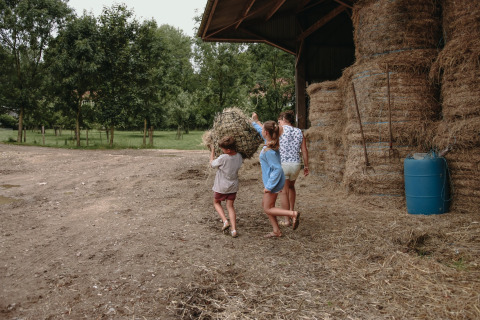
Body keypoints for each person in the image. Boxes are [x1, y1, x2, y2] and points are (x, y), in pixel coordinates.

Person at [251, 113, 300, 238]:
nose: (261, 130)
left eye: (262, 129)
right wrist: (254, 122)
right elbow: (262, 129)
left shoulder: (269, 150)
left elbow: (277, 169)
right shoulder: (271, 143)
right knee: (266, 205)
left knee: (268, 208)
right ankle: (276, 231)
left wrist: (269, 186)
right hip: (274, 181)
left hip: (273, 182)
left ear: (266, 133)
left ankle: (292, 214)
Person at [277, 110, 309, 227]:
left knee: (283, 191)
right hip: (296, 164)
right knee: (291, 187)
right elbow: (304, 150)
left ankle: (287, 220)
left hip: (283, 164)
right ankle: (292, 212)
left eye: (279, 120)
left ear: (283, 119)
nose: (278, 122)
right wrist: (306, 166)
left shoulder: (279, 130)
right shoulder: (299, 132)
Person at [210, 136, 244, 238]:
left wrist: (212, 151)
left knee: (216, 202)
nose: (222, 151)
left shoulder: (223, 158)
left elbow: (212, 164)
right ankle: (234, 230)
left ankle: (225, 221)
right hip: (233, 186)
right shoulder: (239, 156)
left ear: (228, 150)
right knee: (230, 206)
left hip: (221, 186)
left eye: (223, 149)